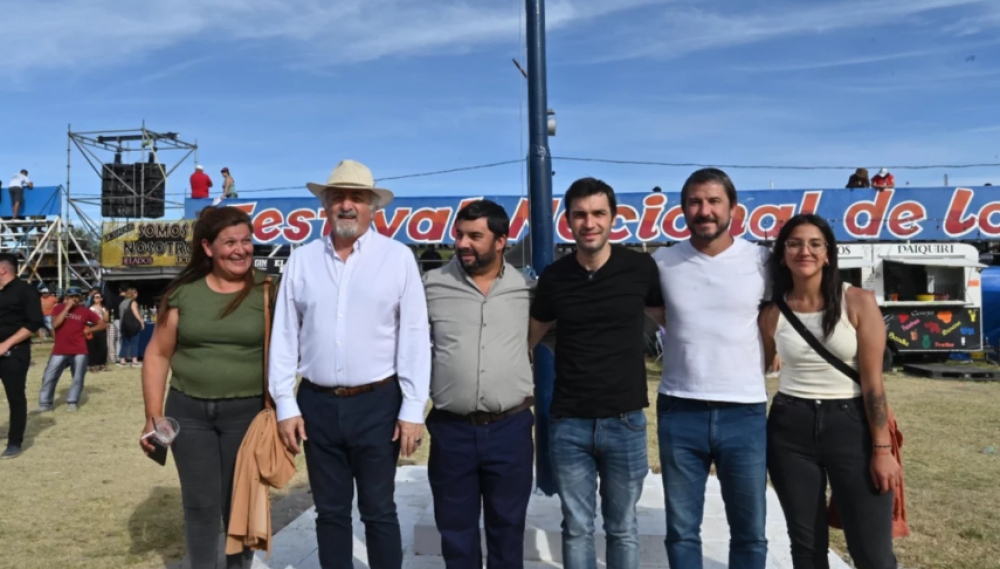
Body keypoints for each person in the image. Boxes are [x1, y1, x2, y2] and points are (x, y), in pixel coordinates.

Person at [269, 159, 431, 569]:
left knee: (378, 510)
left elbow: (414, 336)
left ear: (372, 207)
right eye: (337, 197)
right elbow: (285, 336)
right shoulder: (302, 260)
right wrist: (286, 405)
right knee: (330, 512)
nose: (346, 205)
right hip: (317, 405)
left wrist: (413, 411)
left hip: (378, 402)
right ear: (324, 205)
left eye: (356, 198)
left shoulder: (397, 258)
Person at [528, 178, 663, 569]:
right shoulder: (555, 277)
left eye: (598, 213)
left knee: (623, 527)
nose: (590, 222)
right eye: (580, 214)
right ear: (568, 221)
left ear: (613, 218)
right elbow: (530, 338)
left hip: (626, 421)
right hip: (569, 423)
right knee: (576, 527)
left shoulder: (640, 268)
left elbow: (671, 321)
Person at [759, 214, 900, 569]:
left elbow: (873, 383)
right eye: (793, 243)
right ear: (782, 254)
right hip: (790, 426)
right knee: (806, 547)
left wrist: (882, 449)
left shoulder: (858, 301)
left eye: (814, 244)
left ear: (827, 255)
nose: (803, 251)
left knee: (871, 550)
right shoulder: (772, 312)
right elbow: (765, 361)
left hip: (851, 426)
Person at [650, 168, 771, 569]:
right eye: (695, 202)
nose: (704, 210)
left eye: (714, 201)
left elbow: (774, 316)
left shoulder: (761, 260)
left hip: (745, 412)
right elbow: (657, 313)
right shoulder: (662, 262)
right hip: (679, 409)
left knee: (750, 533)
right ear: (683, 209)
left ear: (733, 209)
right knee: (683, 531)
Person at [140, 206, 268, 569]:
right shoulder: (184, 293)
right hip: (189, 413)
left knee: (237, 506)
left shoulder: (268, 290)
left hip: (246, 415)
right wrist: (153, 416)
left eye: (246, 241)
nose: (241, 250)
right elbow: (158, 354)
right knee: (199, 505)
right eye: (230, 242)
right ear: (208, 248)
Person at [423, 200, 535, 569]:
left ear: (501, 241)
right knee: (456, 533)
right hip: (451, 430)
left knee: (508, 529)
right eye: (459, 235)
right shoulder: (432, 285)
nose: (463, 243)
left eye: (475, 236)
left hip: (511, 429)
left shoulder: (526, 289)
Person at [0, 253, 45, 459]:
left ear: (3, 269)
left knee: (15, 397)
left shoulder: (26, 292)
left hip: (14, 353)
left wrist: (6, 344)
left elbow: (33, 323)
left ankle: (14, 442)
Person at [37, 287, 106, 412]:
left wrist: (90, 330)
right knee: (49, 376)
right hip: (60, 349)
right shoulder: (58, 308)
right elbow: (55, 324)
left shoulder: (85, 311)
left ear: (80, 298)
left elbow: (103, 324)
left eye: (77, 296)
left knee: (78, 377)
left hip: (79, 349)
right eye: (71, 296)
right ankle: (45, 403)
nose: (74, 299)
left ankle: (72, 401)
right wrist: (67, 308)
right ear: (66, 297)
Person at [118, 287, 145, 367]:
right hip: (132, 325)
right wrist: (141, 321)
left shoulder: (122, 302)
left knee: (125, 343)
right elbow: (136, 313)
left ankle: (122, 359)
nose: (137, 294)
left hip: (123, 324)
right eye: (136, 293)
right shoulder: (133, 302)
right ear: (133, 294)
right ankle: (134, 359)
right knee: (134, 342)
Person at [87, 291, 110, 372]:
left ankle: (102, 364)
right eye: (95, 297)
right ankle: (91, 364)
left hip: (101, 327)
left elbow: (106, 319)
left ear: (101, 298)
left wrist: (103, 311)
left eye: (98, 297)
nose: (96, 299)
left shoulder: (104, 308)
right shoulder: (90, 308)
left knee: (103, 347)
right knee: (92, 346)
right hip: (92, 326)